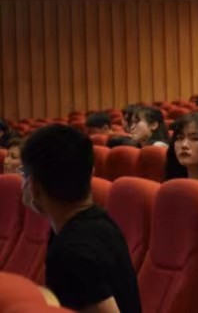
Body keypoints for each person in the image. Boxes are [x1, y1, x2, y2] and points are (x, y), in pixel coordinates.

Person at [20, 125, 141, 312]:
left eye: (23, 173)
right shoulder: (99, 221)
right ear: (90, 173)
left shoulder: (71, 251)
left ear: (34, 186)